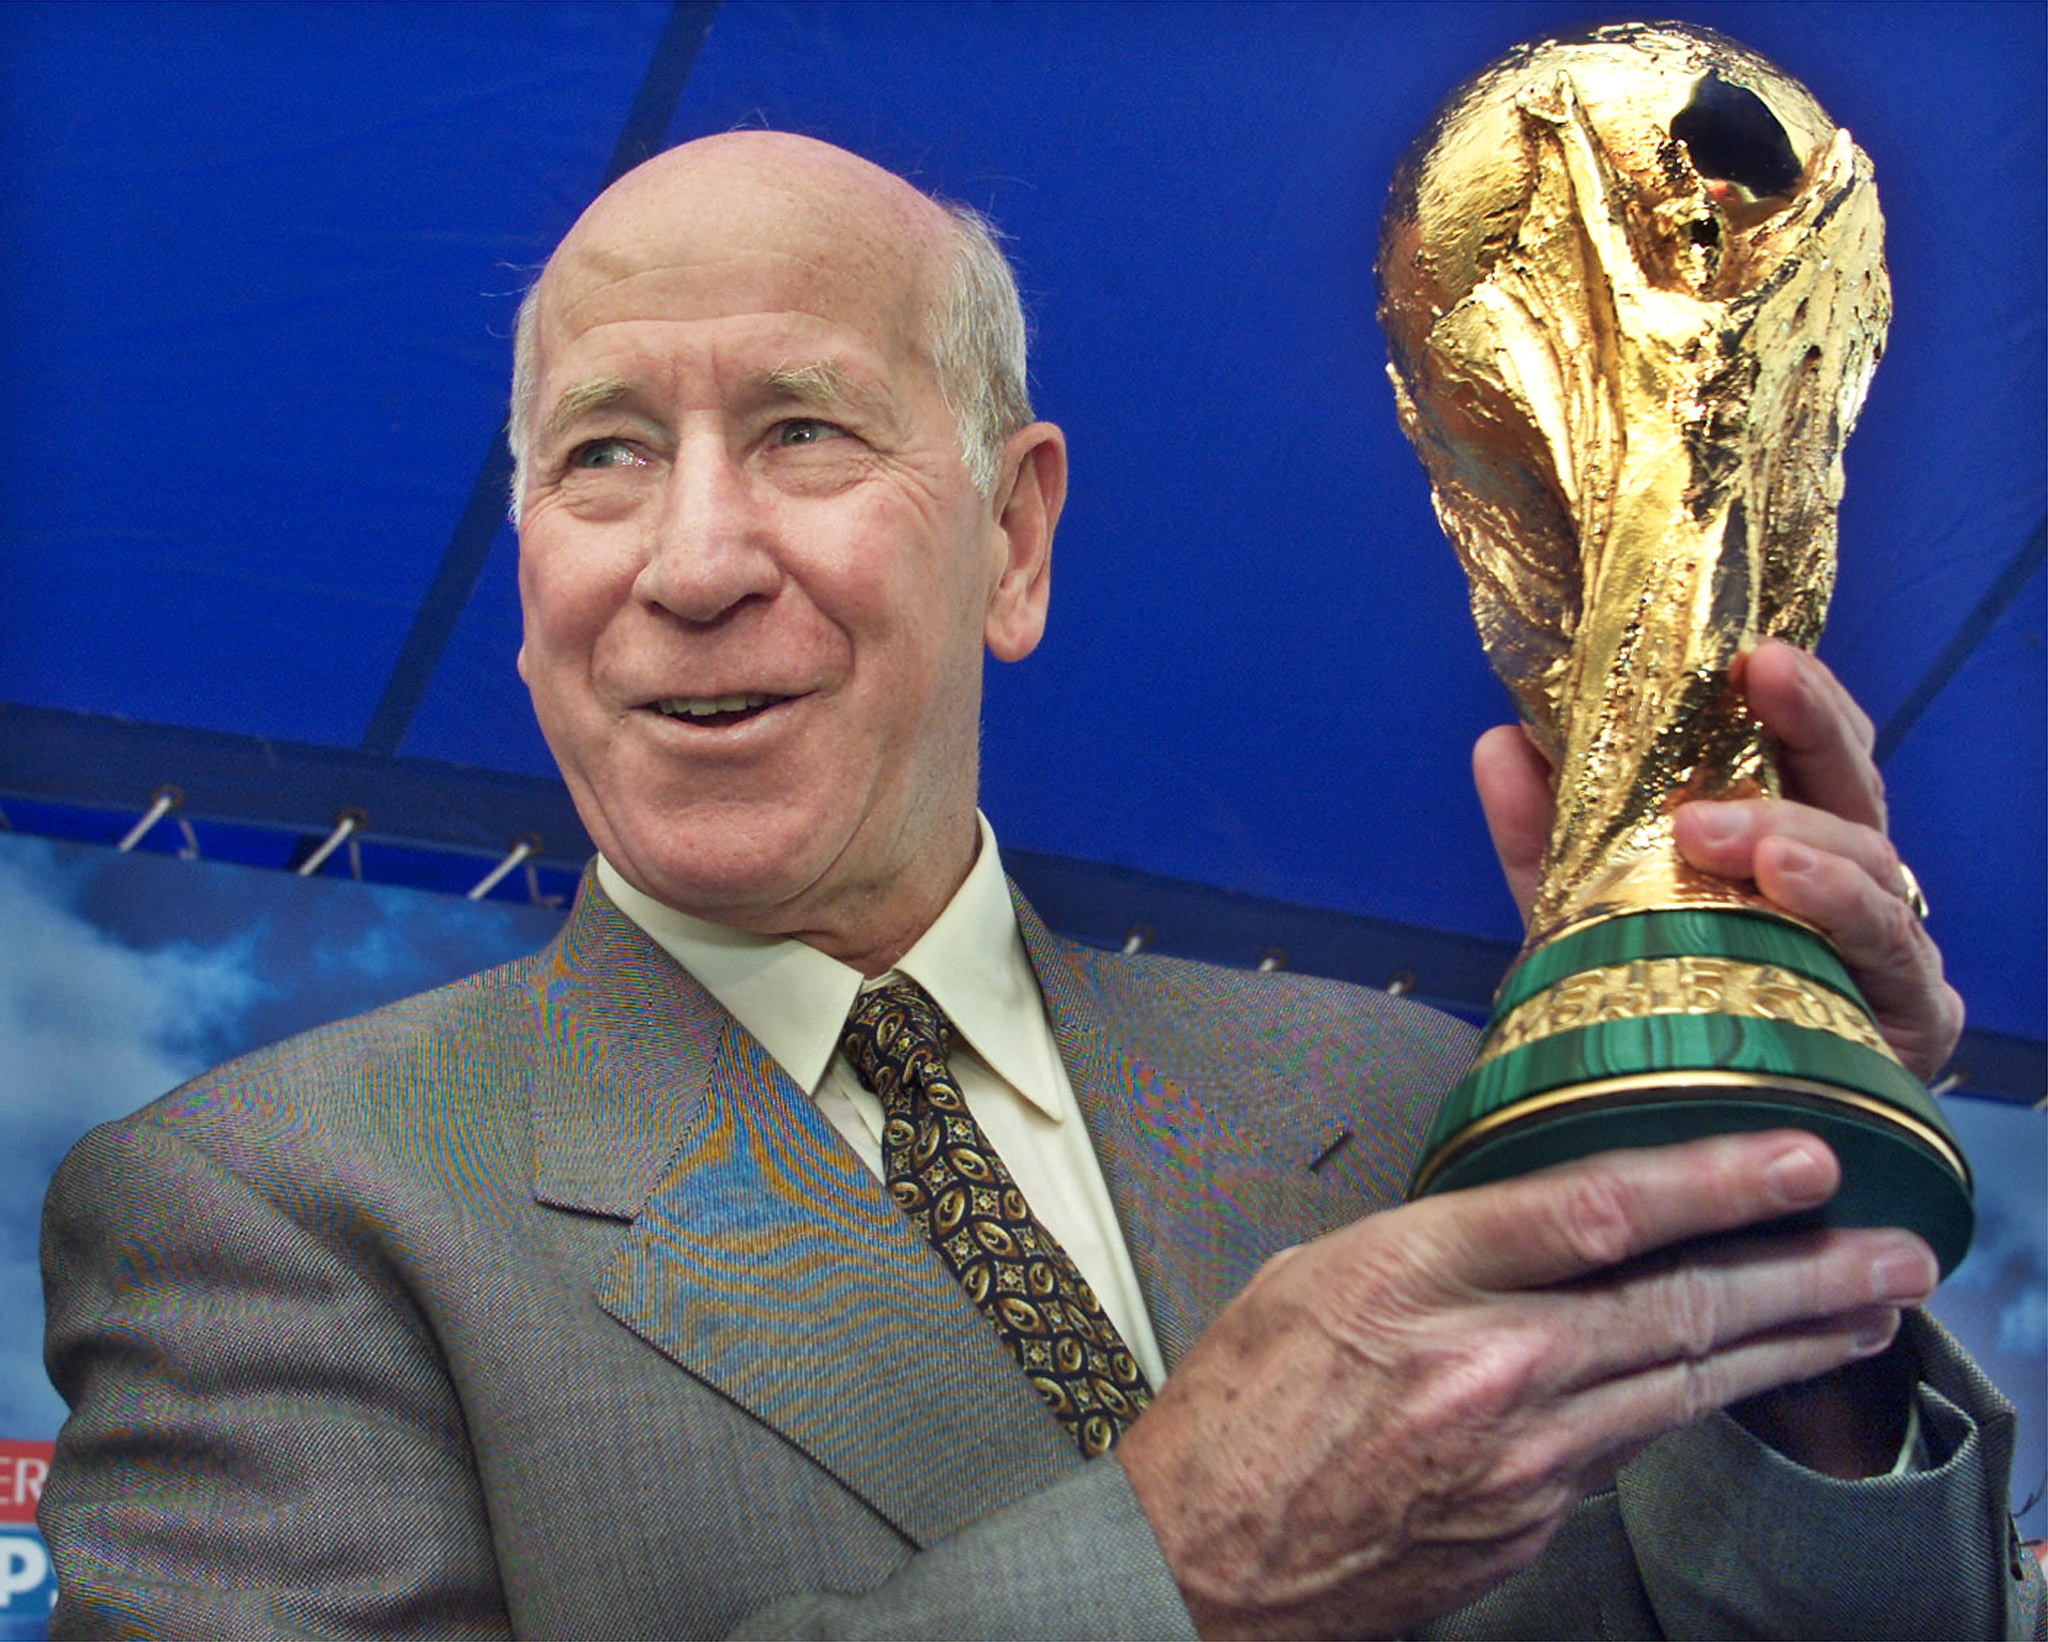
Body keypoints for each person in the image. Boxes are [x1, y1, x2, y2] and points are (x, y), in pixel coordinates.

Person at [39, 132, 2040, 1640]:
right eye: (603, 456)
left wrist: (1794, 1233)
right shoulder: (268, 1198)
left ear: (1014, 541)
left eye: (803, 428)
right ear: (528, 578)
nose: (694, 556)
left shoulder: (1407, 1095)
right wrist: (1163, 1572)